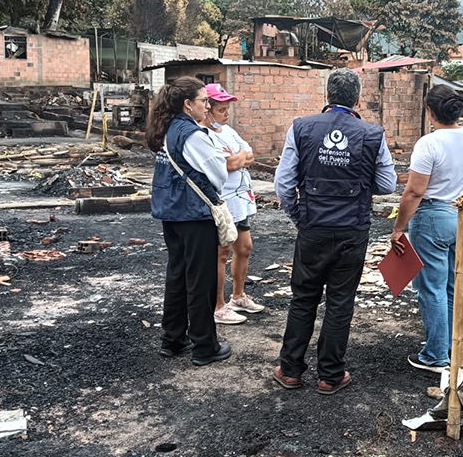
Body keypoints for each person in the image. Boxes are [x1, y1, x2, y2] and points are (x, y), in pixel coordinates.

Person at [272, 69, 397, 395]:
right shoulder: (372, 134)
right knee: (340, 302)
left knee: (303, 299)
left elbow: (283, 184)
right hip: (352, 232)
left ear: (327, 97)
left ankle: (290, 371)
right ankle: (329, 375)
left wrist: (299, 215)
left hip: (312, 229)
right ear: (357, 99)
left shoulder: (301, 128)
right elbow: (387, 184)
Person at [391, 85, 463, 373]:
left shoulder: (428, 144)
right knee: (458, 284)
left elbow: (414, 192)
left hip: (433, 216)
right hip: (462, 215)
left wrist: (399, 228)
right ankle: (459, 347)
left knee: (433, 288)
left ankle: (437, 355)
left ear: (430, 112)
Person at [146, 76, 232, 365]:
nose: (207, 107)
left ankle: (173, 339)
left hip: (170, 211)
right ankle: (205, 346)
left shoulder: (168, 129)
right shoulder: (192, 134)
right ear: (187, 104)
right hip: (194, 214)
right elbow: (217, 172)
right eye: (203, 101)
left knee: (178, 275)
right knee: (201, 280)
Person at [201, 83, 265, 326]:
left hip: (240, 200)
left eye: (227, 109)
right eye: (221, 110)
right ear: (208, 109)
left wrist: (237, 158)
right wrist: (237, 159)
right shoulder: (203, 135)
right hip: (223, 199)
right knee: (222, 253)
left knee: (245, 247)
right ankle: (218, 305)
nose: (226, 114)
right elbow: (227, 164)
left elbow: (249, 155)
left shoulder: (228, 131)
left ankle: (238, 296)